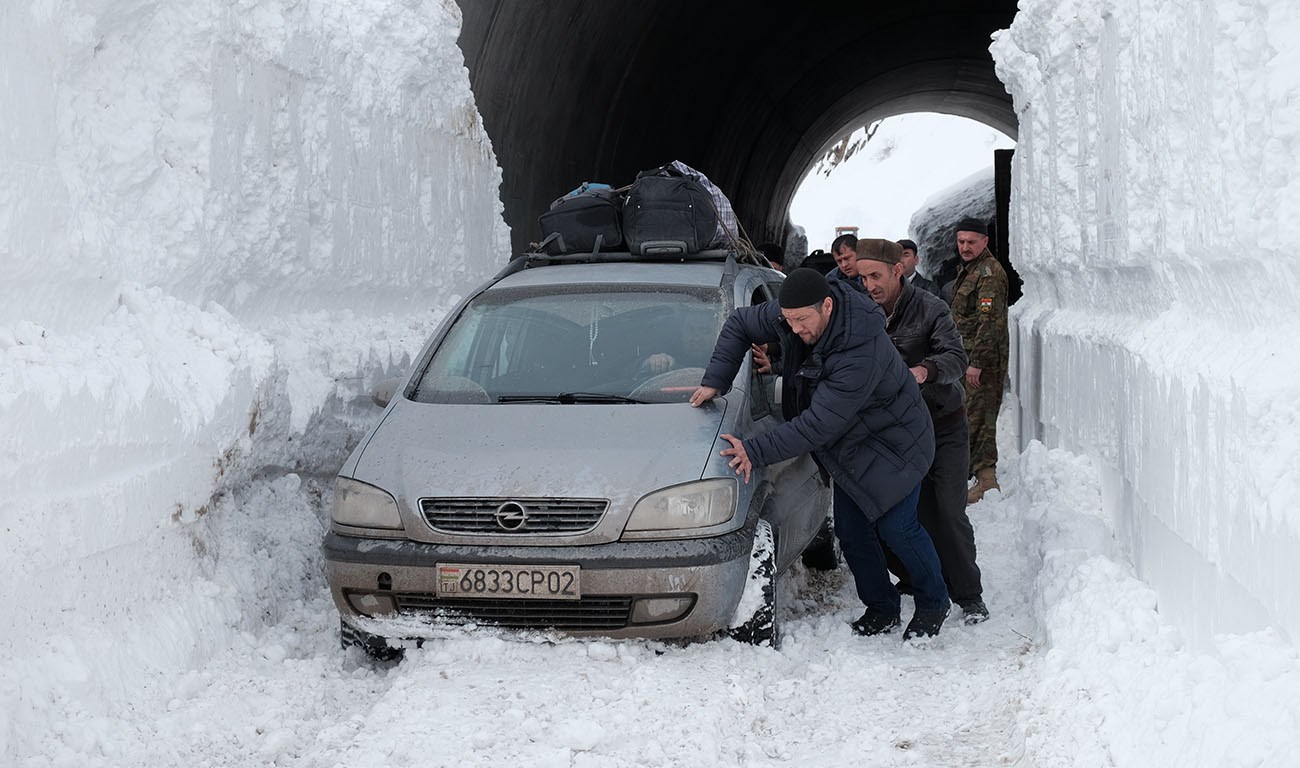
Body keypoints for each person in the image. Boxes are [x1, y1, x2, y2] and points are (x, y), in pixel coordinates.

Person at [689, 268, 951, 640]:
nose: (794, 329)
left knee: (898, 528)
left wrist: (755, 450)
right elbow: (739, 323)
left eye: (801, 320)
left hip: (896, 444)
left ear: (827, 306)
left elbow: (817, 426)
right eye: (788, 320)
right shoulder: (793, 313)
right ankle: (882, 608)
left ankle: (934, 601)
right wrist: (716, 380)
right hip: (852, 446)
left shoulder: (859, 351)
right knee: (851, 531)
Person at [855, 238, 989, 624]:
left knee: (947, 510)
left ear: (898, 270)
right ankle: (918, 578)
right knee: (902, 513)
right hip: (894, 433)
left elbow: (955, 357)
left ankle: (968, 593)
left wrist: (924, 371)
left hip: (942, 424)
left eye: (875, 276)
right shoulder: (861, 311)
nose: (869, 286)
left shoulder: (932, 308)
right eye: (863, 278)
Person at [948, 217, 1009, 504]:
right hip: (968, 356)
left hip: (981, 362)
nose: (965, 247)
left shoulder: (988, 273)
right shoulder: (971, 269)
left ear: (985, 241)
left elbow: (991, 321)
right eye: (961, 241)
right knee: (970, 415)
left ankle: (987, 481)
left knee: (981, 417)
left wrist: (978, 362)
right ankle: (977, 474)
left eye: (971, 242)